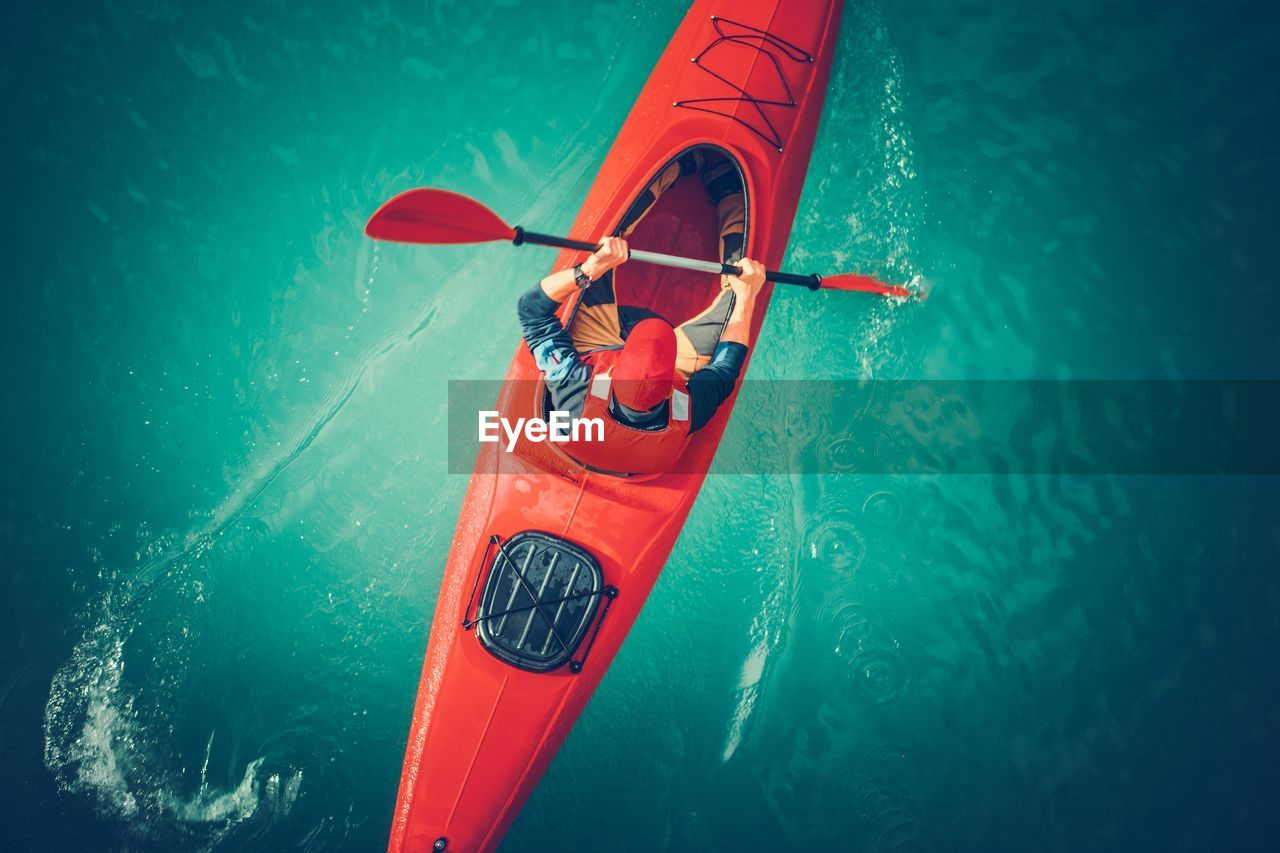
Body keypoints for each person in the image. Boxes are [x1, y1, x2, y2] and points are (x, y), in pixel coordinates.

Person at [516, 152, 766, 474]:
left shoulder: (574, 391)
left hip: (599, 347)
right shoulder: (685, 410)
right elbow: (725, 368)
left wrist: (590, 269)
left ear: (616, 371)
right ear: (668, 389)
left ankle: (677, 166)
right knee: (736, 297)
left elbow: (532, 313)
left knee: (604, 249)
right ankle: (726, 190)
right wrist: (747, 298)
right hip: (641, 356)